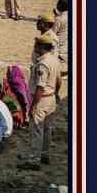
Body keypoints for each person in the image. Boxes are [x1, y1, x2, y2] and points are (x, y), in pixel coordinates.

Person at [18, 33, 62, 170]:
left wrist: (33, 106)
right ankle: (44, 155)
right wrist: (55, 93)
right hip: (51, 98)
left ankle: (33, 161)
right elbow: (59, 81)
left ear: (42, 46)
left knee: (37, 130)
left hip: (42, 99)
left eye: (36, 45)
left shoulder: (42, 63)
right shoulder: (54, 60)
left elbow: (39, 87)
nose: (34, 47)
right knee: (47, 129)